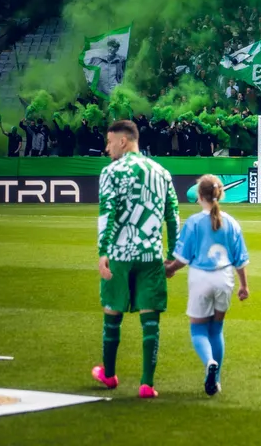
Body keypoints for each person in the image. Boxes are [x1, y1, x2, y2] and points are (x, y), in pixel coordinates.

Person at [92, 119, 179, 399]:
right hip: (151, 254)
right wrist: (173, 255)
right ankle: (146, 384)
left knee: (112, 313)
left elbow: (108, 211)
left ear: (123, 141)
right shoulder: (162, 172)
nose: (106, 148)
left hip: (119, 253)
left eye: (109, 142)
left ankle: (108, 374)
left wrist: (102, 251)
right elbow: (173, 216)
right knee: (150, 319)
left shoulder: (111, 171)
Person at [166, 176, 250, 397]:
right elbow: (240, 259)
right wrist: (244, 286)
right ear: (220, 194)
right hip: (224, 278)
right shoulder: (231, 222)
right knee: (216, 330)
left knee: (198, 329)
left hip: (201, 278)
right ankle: (217, 378)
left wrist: (170, 269)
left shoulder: (194, 222)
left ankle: (209, 362)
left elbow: (183, 258)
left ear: (199, 196)